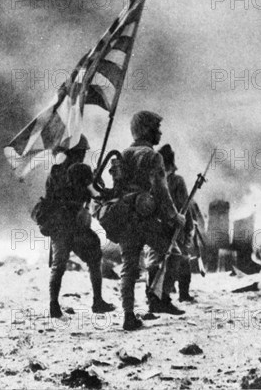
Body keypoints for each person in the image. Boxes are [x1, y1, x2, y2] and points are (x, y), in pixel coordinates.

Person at [116, 111, 185, 331]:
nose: (160, 132)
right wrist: (175, 217)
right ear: (147, 129)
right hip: (145, 219)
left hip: (125, 218)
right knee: (173, 255)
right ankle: (158, 298)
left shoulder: (122, 155)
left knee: (128, 267)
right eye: (156, 127)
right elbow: (161, 191)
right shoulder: (153, 156)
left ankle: (128, 316)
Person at [44, 135, 115, 318]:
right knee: (92, 259)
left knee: (59, 265)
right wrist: (95, 182)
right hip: (74, 225)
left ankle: (54, 305)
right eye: (82, 152)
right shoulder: (82, 171)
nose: (83, 155)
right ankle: (97, 301)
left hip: (61, 225)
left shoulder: (55, 172)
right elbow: (97, 195)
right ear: (76, 152)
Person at [158, 144, 195, 302]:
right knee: (183, 259)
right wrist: (190, 227)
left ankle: (158, 294)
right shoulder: (177, 181)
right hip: (177, 226)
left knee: (160, 262)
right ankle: (183, 294)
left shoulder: (155, 180)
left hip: (159, 226)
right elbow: (184, 206)